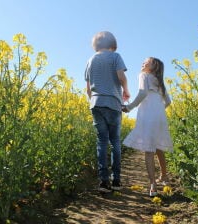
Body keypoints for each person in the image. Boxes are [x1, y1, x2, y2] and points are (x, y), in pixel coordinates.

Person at [85, 31, 130, 193]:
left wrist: (93, 101)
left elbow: (88, 88)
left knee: (102, 142)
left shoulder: (90, 60)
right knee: (115, 141)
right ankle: (116, 180)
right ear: (112, 46)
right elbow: (121, 76)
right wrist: (125, 90)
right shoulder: (115, 56)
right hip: (113, 103)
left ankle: (103, 182)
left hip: (96, 104)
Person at [122, 57, 173, 197]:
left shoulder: (143, 75)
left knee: (149, 150)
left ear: (154, 66)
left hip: (148, 115)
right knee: (158, 148)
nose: (143, 62)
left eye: (147, 61)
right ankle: (164, 176)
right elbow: (168, 101)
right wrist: (158, 109)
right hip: (160, 115)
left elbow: (142, 92)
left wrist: (129, 107)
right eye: (143, 60)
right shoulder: (159, 82)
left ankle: (153, 186)